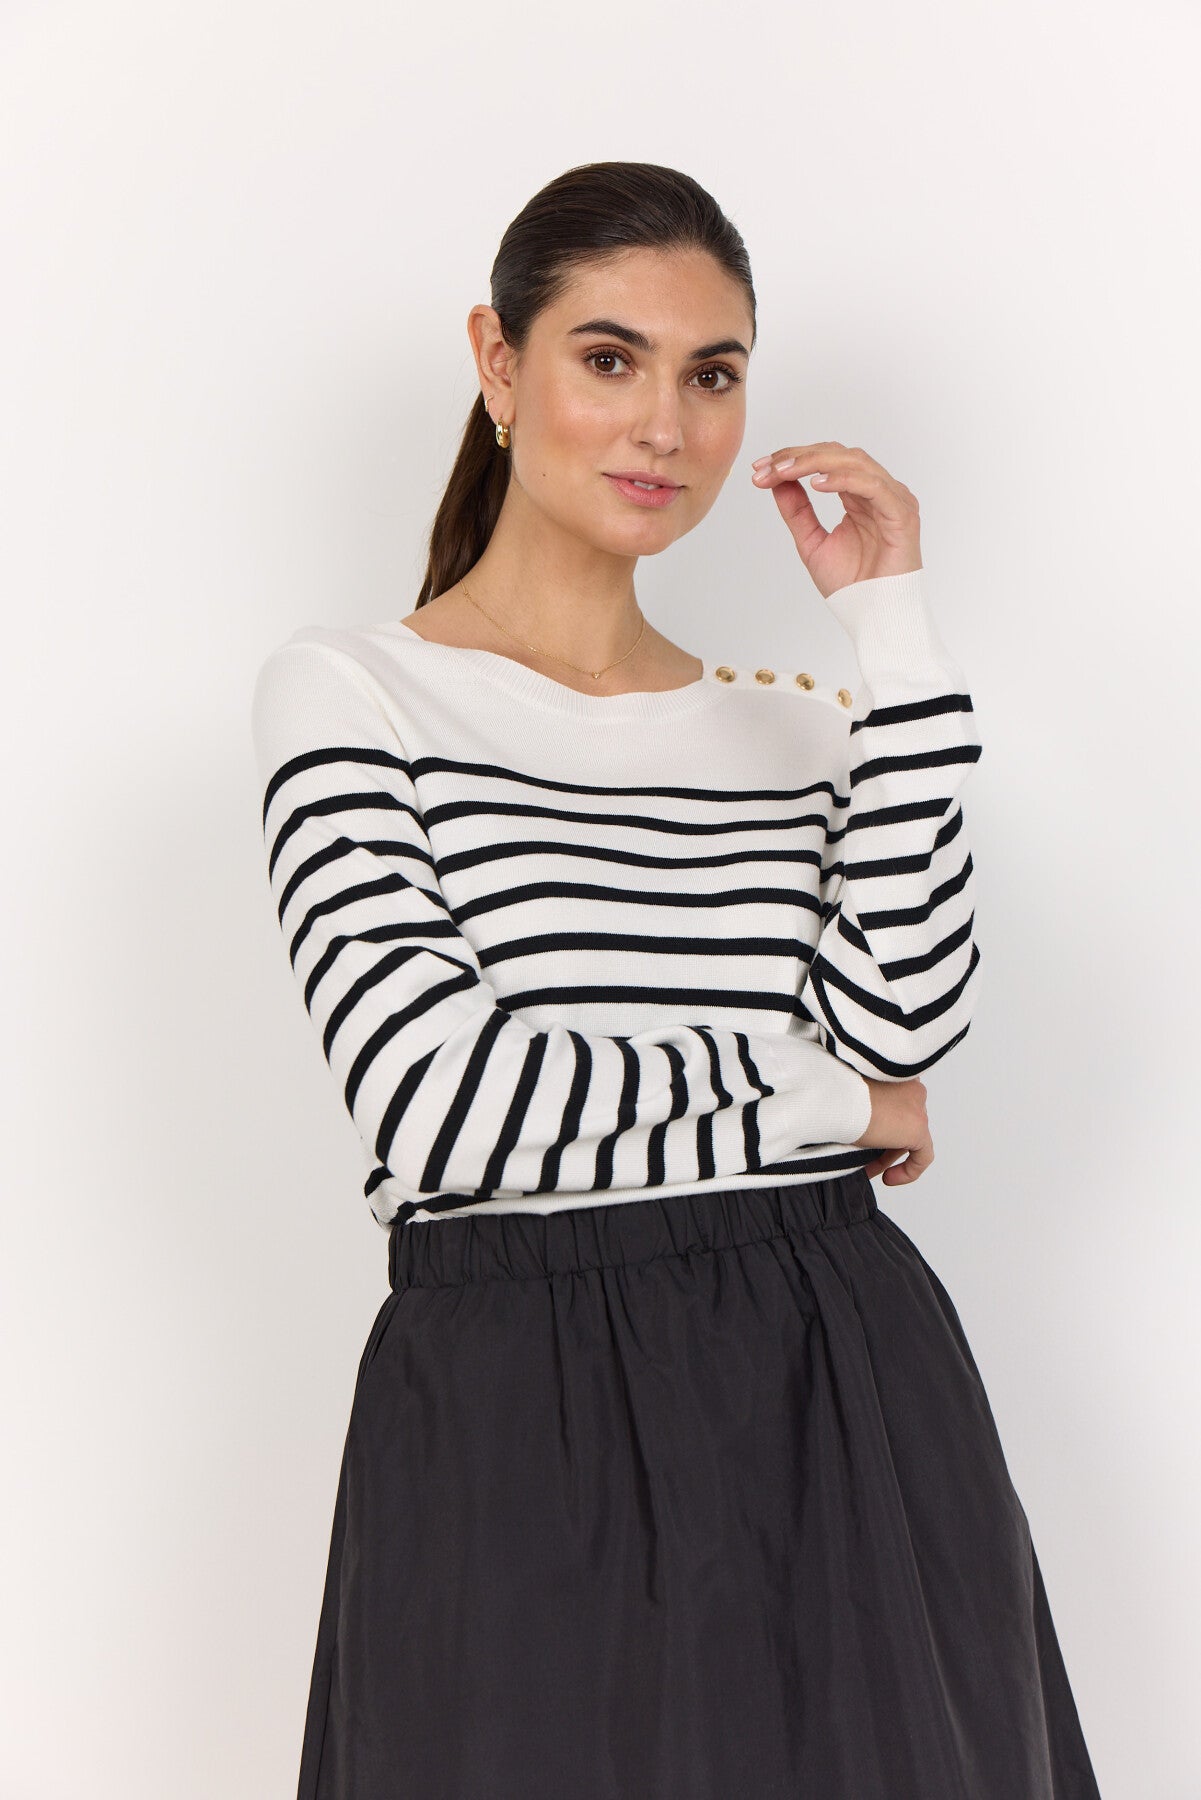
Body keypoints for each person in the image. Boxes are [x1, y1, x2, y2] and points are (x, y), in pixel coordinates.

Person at [250, 160, 1103, 1800]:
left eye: (712, 375)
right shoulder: (354, 694)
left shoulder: (795, 727)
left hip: (839, 1376)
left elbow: (909, 1018)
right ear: (498, 362)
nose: (664, 423)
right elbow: (444, 1114)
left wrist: (892, 636)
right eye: (609, 358)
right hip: (517, 1401)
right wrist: (831, 1100)